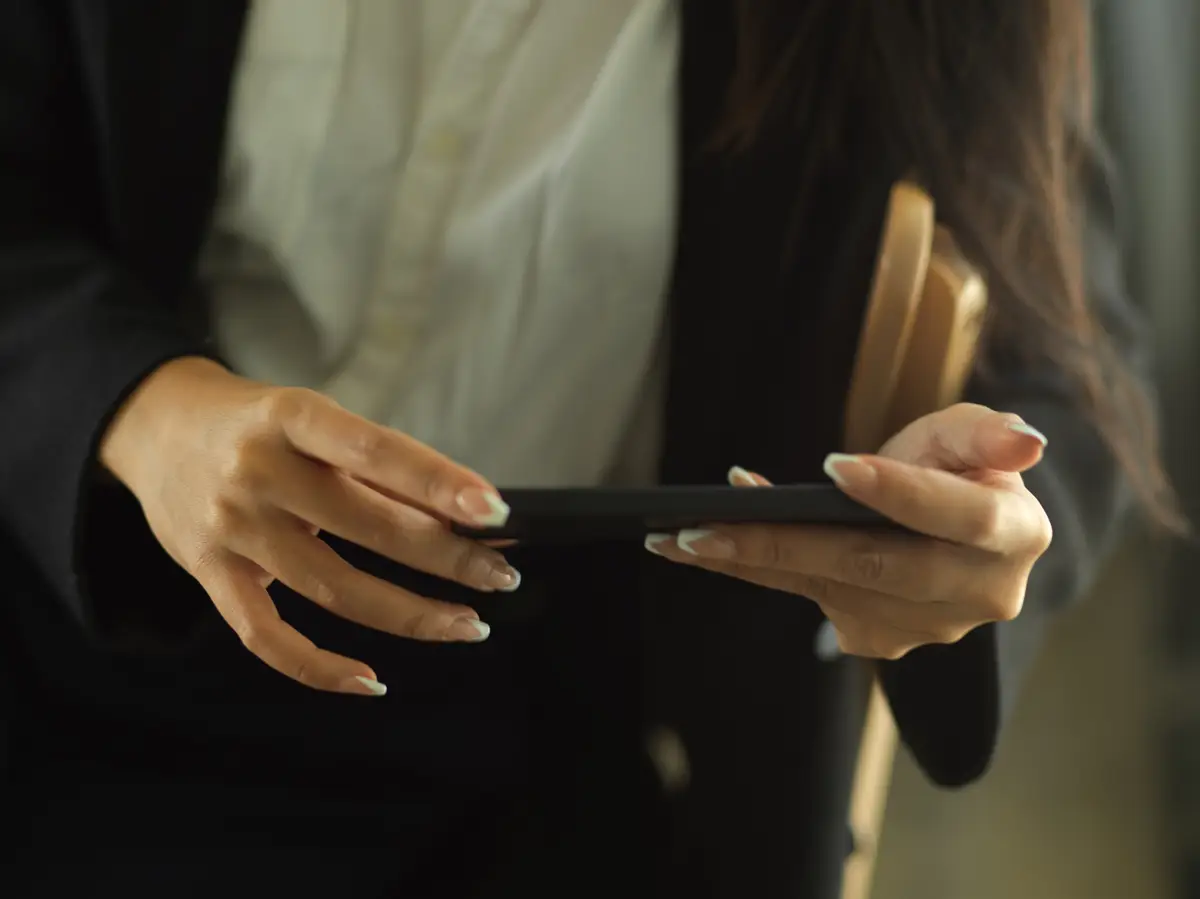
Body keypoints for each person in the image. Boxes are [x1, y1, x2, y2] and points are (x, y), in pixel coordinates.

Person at [0, 1, 1174, 897]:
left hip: (567, 721)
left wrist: (968, 529)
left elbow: (1070, 354)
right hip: (71, 610)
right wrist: (142, 408)